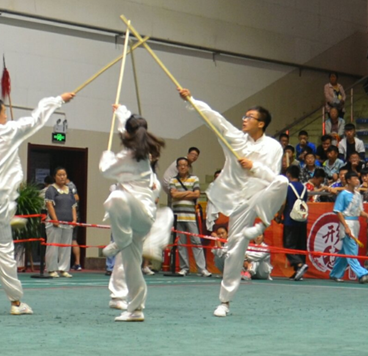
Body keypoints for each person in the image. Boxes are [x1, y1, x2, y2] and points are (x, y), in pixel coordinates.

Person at [0, 92, 75, 315]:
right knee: (3, 248)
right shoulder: (9, 131)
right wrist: (59, 100)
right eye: (4, 113)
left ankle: (8, 217)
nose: (7, 117)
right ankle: (16, 303)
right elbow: (37, 118)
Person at [178, 88, 288, 318]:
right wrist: (191, 100)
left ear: (261, 123)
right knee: (234, 250)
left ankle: (263, 223)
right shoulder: (236, 139)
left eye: (249, 117)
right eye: (244, 116)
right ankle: (224, 302)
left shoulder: (274, 147)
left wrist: (253, 167)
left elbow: (271, 177)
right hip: (239, 203)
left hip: (261, 196)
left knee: (281, 181)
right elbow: (214, 118)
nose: (244, 120)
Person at [100, 104, 166, 322]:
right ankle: (136, 310)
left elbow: (105, 171)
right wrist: (121, 112)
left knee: (115, 197)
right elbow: (126, 130)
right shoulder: (142, 153)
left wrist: (106, 155)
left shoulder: (129, 156)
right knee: (131, 266)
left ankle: (120, 239)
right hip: (136, 221)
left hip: (140, 214)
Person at [169, 157, 211, 277]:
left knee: (196, 242)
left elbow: (197, 194)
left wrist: (180, 194)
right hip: (177, 216)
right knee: (181, 243)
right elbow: (173, 195)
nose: (182, 167)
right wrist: (189, 193)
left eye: (185, 165)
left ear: (188, 167)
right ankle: (184, 268)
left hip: (191, 216)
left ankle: (202, 269)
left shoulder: (194, 179)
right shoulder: (173, 180)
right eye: (180, 165)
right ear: (177, 167)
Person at [329, 172, 368, 283]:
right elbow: (338, 211)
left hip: (356, 223)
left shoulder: (358, 195)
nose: (357, 180)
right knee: (352, 249)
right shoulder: (343, 195)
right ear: (348, 180)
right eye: (354, 178)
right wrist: (345, 227)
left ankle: (335, 273)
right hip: (347, 222)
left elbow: (360, 212)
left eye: (357, 178)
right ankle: (362, 273)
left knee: (344, 251)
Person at [44, 167, 77, 278]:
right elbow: (49, 205)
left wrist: (74, 220)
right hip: (54, 223)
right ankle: (51, 269)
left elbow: (73, 206)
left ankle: (63, 269)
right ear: (55, 176)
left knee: (66, 246)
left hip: (68, 224)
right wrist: (55, 219)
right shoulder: (51, 189)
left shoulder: (70, 190)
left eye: (64, 174)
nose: (62, 177)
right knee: (53, 246)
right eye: (59, 175)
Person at [282, 165, 309, 281]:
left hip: (290, 219)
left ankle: (299, 264)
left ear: (288, 174)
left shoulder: (287, 187)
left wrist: (279, 214)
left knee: (288, 245)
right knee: (300, 245)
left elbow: (284, 203)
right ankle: (299, 270)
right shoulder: (304, 187)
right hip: (302, 219)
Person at [66, 177, 82, 271]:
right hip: (66, 216)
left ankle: (77, 262)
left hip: (72, 217)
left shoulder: (70, 186)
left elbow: (76, 198)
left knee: (73, 239)